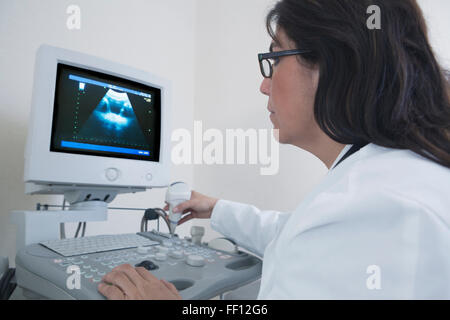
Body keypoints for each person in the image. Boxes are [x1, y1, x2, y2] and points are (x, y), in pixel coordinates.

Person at [98, 0, 450, 300]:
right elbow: (298, 234)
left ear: (337, 64)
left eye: (276, 58)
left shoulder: (376, 208)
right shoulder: (387, 180)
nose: (264, 85)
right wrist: (217, 208)